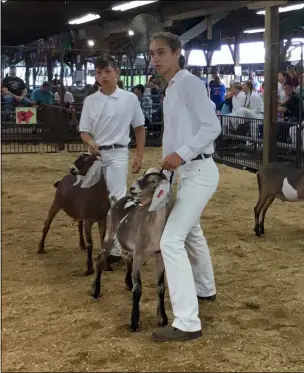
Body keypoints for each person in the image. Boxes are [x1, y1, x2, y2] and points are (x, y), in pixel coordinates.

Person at [148, 31, 221, 342]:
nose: (155, 58)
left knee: (170, 240)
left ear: (177, 52)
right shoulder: (171, 89)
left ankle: (187, 322)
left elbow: (213, 126)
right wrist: (169, 163)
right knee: (191, 231)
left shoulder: (189, 83)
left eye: (161, 52)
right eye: (152, 53)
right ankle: (205, 287)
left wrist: (183, 153)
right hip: (186, 171)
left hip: (200, 169)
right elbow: (176, 134)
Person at [79, 55, 146, 264]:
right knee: (95, 198)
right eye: (99, 73)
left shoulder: (129, 98)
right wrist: (90, 143)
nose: (103, 76)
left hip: (118, 153)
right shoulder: (91, 100)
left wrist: (139, 154)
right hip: (96, 155)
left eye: (107, 71)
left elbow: (139, 128)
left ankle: (115, 249)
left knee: (116, 198)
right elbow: (84, 131)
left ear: (117, 72)